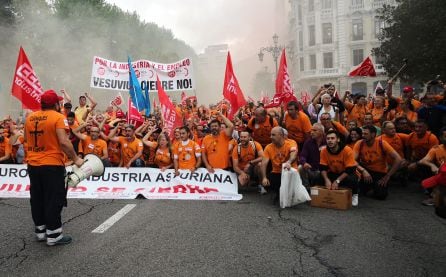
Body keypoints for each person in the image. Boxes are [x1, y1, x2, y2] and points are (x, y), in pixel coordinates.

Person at [24, 90, 84, 246]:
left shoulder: (30, 117)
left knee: (37, 198)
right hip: (51, 165)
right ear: (56, 104)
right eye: (59, 102)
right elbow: (64, 142)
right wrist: (76, 159)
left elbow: (25, 138)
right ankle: (54, 235)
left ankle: (40, 231)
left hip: (33, 164)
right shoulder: (59, 117)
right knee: (53, 199)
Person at [353, 126, 402, 200]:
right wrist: (363, 171)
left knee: (381, 195)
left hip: (379, 172)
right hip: (365, 170)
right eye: (362, 133)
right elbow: (352, 161)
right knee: (358, 190)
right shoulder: (359, 143)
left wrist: (388, 176)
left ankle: (372, 188)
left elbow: (398, 159)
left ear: (373, 135)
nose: (363, 136)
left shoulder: (382, 143)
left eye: (365, 134)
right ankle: (365, 187)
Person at [320, 130, 359, 206]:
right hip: (333, 173)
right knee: (318, 177)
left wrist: (337, 181)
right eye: (328, 139)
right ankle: (323, 195)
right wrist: (326, 179)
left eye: (332, 138)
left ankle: (355, 194)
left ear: (338, 139)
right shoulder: (324, 150)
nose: (330, 141)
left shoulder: (347, 150)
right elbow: (322, 167)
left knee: (353, 178)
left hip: (345, 174)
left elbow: (350, 169)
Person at [260, 127, 298, 204]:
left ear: (281, 135)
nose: (271, 137)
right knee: (269, 181)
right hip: (277, 172)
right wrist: (264, 177)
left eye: (273, 135)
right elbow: (263, 163)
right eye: (271, 135)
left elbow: (294, 154)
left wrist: (289, 162)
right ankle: (277, 193)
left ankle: (290, 193)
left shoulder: (291, 143)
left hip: (289, 171)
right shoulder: (268, 147)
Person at [418, 127, 446, 205]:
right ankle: (434, 195)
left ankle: (436, 196)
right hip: (440, 175)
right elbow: (423, 160)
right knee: (423, 166)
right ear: (441, 138)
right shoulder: (436, 149)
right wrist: (432, 165)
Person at [299, 123, 325, 188]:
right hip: (311, 169)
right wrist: (304, 163)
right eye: (311, 130)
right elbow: (302, 156)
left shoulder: (327, 141)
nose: (312, 132)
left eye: (314, 130)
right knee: (300, 168)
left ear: (321, 132)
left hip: (323, 171)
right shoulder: (308, 142)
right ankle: (306, 188)